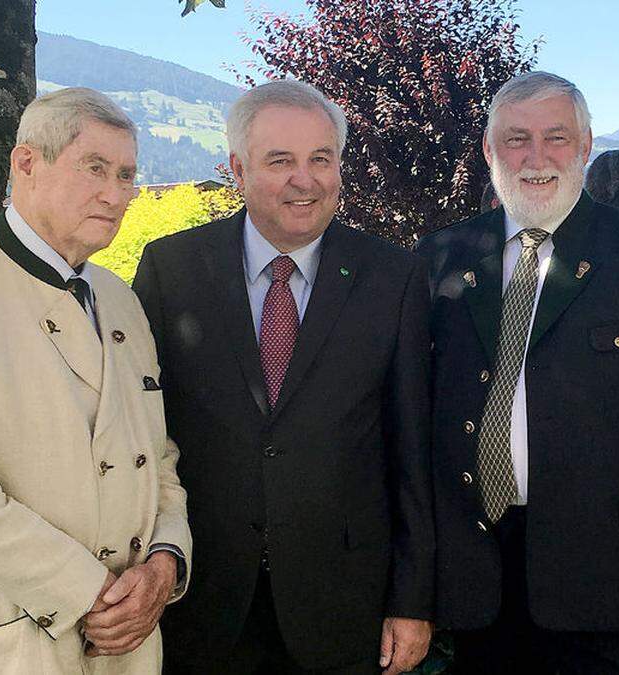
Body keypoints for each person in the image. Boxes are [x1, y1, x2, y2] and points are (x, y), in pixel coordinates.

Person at [0, 87, 192, 674]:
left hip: (126, 646)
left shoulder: (122, 301)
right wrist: (89, 591)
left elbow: (158, 457)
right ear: (26, 164)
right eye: (94, 168)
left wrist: (167, 561)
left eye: (125, 175)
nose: (115, 194)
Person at [418, 71, 619, 674]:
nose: (536, 158)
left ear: (585, 146)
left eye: (556, 137)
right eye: (516, 139)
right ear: (488, 150)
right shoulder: (442, 256)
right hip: (479, 581)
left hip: (609, 583)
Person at [133, 79, 434, 675]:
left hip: (346, 606)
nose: (306, 179)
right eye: (281, 161)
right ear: (237, 169)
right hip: (202, 600)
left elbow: (412, 450)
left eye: (321, 159)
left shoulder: (393, 277)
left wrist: (413, 599)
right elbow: (140, 433)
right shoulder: (172, 270)